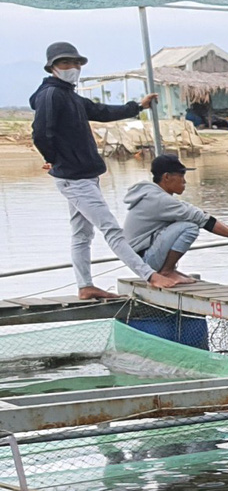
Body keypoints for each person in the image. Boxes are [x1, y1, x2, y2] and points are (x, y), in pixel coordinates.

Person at [29, 41, 168, 299]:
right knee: (112, 229)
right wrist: (52, 158)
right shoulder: (51, 95)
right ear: (52, 68)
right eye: (65, 63)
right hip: (74, 178)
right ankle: (150, 276)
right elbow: (40, 133)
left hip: (84, 176)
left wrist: (137, 107)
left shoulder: (69, 95)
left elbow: (101, 111)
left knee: (83, 233)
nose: (72, 67)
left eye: (75, 63)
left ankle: (85, 286)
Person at [120, 154, 228, 284]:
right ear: (166, 177)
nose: (184, 181)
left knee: (189, 221)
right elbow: (202, 220)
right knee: (189, 227)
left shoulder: (154, 195)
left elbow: (201, 214)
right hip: (144, 261)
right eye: (181, 176)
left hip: (140, 258)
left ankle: (168, 270)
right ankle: (166, 272)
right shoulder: (159, 200)